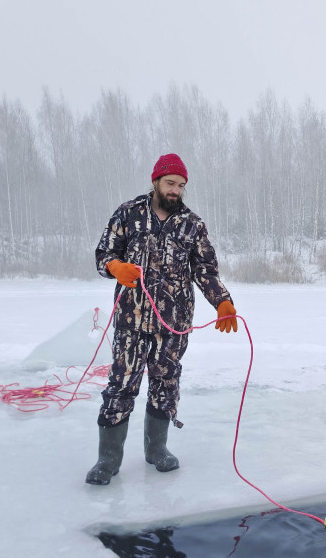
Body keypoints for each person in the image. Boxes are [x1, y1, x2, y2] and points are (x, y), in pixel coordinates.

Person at [86, 153, 237, 485]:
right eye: (170, 183)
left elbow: (206, 272)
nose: (175, 190)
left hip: (174, 325)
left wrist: (223, 302)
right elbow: (103, 254)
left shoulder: (192, 224)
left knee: (166, 385)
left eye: (181, 186)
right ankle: (107, 461)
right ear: (156, 181)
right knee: (121, 387)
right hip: (131, 321)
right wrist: (115, 266)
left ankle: (157, 450)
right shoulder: (128, 214)